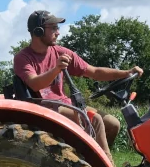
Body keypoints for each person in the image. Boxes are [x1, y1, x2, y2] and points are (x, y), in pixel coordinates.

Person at [13, 10, 142, 156]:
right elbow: (34, 84)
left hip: (64, 104)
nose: (58, 32)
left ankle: (92, 160)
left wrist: (126, 73)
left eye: (58, 28)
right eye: (53, 28)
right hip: (44, 108)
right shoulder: (23, 58)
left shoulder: (61, 52)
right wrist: (56, 69)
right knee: (95, 120)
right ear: (38, 31)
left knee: (113, 124)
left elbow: (94, 72)